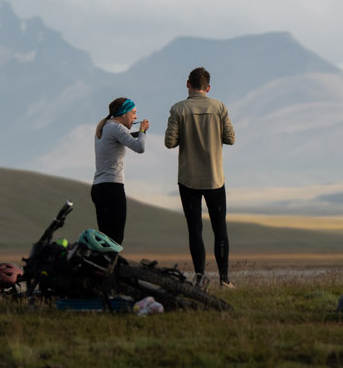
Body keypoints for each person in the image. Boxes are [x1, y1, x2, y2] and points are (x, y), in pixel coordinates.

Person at [164, 67, 236, 288]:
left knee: (195, 229)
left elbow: (169, 142)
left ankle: (200, 279)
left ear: (188, 84)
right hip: (215, 178)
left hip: (188, 179)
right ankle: (224, 280)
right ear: (208, 87)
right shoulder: (219, 107)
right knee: (219, 228)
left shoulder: (178, 109)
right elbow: (230, 139)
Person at [92, 97, 149, 245]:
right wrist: (142, 130)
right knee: (116, 238)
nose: (135, 117)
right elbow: (139, 148)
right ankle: (110, 266)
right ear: (124, 113)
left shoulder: (105, 127)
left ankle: (101, 266)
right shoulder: (117, 128)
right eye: (133, 113)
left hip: (99, 187)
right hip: (112, 187)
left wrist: (139, 133)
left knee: (105, 237)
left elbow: (125, 138)